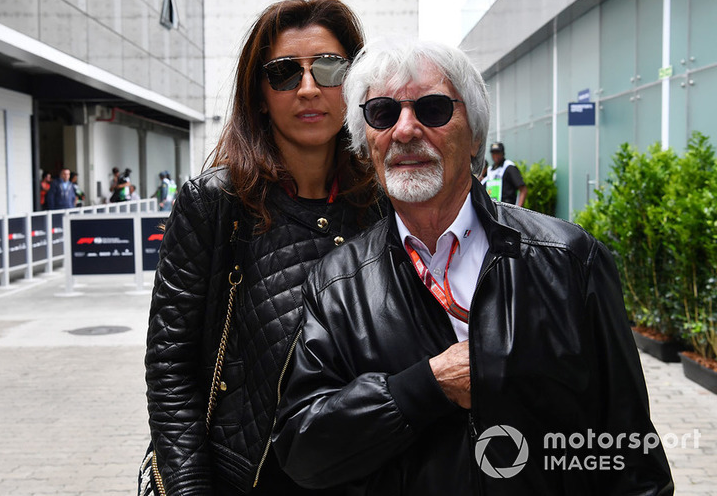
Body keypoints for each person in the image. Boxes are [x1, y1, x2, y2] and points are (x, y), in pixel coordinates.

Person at [272, 39, 673, 495]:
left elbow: (634, 461)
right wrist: (425, 387)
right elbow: (303, 452)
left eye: (434, 108)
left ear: (476, 135)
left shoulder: (568, 259)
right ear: (366, 141)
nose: (405, 130)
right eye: (382, 112)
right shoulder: (337, 284)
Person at [143, 0, 385, 496]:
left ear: (356, 82)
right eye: (282, 74)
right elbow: (171, 365)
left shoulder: (386, 204)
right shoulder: (215, 203)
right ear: (258, 94)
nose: (307, 88)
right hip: (247, 476)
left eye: (329, 67)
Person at [482, 141, 527, 206]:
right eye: (493, 153)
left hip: (507, 209)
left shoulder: (509, 167)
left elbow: (523, 189)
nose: (495, 155)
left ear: (503, 153)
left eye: (498, 152)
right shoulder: (490, 170)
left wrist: (518, 209)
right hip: (493, 210)